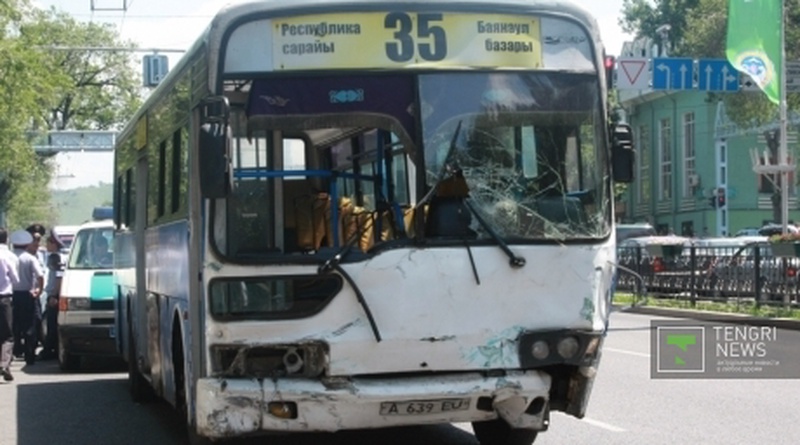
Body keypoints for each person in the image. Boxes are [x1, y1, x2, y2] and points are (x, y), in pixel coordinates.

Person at [11, 229, 44, 366]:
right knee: (29, 326)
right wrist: (39, 290)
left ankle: (14, 352)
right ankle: (30, 355)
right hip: (27, 295)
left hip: (11, 295)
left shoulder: (10, 257)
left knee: (13, 325)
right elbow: (40, 276)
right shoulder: (30, 258)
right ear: (26, 244)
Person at [39, 229, 65, 360]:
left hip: (55, 295)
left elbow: (59, 278)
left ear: (54, 243)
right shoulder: (56, 256)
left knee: (52, 324)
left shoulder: (57, 257)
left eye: (48, 242)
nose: (46, 245)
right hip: (54, 294)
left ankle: (50, 350)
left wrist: (54, 295)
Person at [0, 228, 20, 382]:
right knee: (7, 335)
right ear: (6, 239)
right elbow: (15, 279)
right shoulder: (9, 256)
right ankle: (4, 364)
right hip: (4, 298)